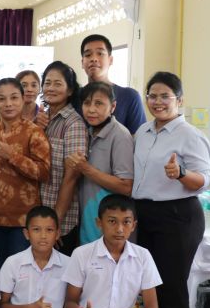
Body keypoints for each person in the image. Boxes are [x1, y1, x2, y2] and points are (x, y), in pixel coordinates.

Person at [133, 72, 210, 308]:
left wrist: (180, 173)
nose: (157, 101)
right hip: (146, 213)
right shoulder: (143, 131)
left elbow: (203, 180)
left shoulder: (189, 134)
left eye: (165, 96)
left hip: (178, 216)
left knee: (171, 287)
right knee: (151, 286)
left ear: (179, 100)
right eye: (152, 95)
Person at [0, 78, 51, 282]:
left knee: (19, 277)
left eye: (13, 98)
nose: (8, 104)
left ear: (23, 100)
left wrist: (13, 156)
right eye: (2, 99)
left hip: (23, 221)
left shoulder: (34, 132)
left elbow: (44, 172)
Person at [64, 82, 134, 245]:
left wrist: (86, 169)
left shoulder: (120, 136)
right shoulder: (88, 132)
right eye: (87, 103)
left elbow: (126, 186)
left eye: (99, 103)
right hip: (89, 219)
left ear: (113, 106)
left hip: (110, 225)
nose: (91, 109)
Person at [39, 61, 87, 256]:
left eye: (57, 84)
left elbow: (72, 176)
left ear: (69, 90)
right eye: (47, 83)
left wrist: (55, 223)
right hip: (38, 216)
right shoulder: (42, 118)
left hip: (61, 223)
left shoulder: (73, 123)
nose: (50, 88)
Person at [80, 34, 146, 134]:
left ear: (110, 60)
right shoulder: (75, 96)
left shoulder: (129, 96)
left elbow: (139, 139)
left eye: (100, 53)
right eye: (88, 55)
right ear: (82, 62)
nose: (93, 58)